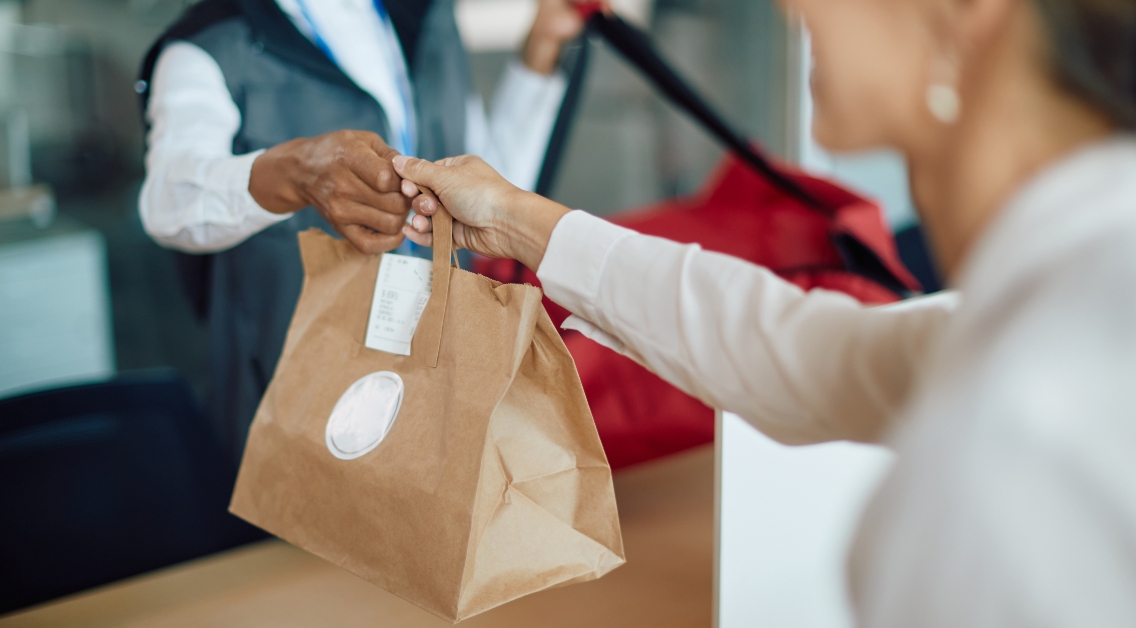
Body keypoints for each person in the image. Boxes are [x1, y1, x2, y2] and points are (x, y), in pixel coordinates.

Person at [393, 0, 1136, 624]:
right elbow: (803, 348)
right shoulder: (1071, 304)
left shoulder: (1025, 426)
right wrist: (522, 222)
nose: (790, 8)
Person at [136, 0, 594, 458]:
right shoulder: (210, 44)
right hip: (295, 403)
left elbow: (490, 188)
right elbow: (167, 203)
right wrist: (294, 174)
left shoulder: (426, 20)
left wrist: (542, 45)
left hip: (442, 378)